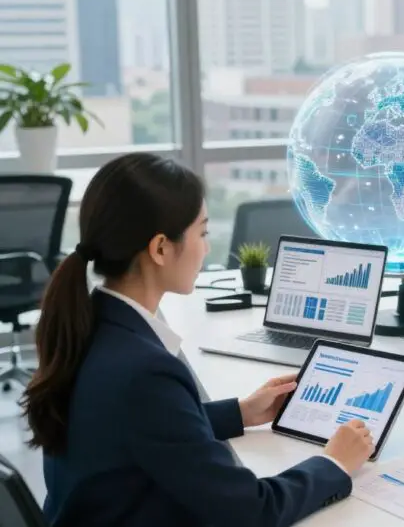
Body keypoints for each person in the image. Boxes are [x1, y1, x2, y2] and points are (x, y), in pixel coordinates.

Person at [20, 153, 374, 527]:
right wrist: (334, 463)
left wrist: (240, 411)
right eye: (202, 233)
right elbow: (252, 512)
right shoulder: (145, 371)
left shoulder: (91, 322)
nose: (206, 248)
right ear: (160, 248)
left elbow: (139, 426)